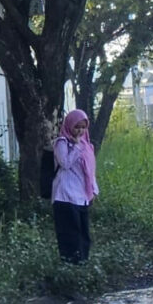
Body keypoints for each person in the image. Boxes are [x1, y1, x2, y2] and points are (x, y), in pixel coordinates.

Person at [51, 109, 99, 263]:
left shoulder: (87, 144)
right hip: (65, 195)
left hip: (82, 195)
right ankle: (70, 264)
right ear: (69, 125)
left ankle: (83, 263)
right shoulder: (62, 143)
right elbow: (64, 163)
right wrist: (76, 148)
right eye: (77, 127)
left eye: (83, 127)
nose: (80, 131)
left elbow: (90, 170)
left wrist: (94, 190)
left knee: (83, 233)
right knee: (70, 233)